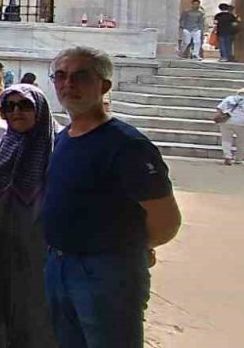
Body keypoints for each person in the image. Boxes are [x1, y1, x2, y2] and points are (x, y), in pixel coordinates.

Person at [43, 46, 181, 347]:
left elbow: (166, 220)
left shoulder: (127, 145)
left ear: (104, 85)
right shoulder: (64, 138)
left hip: (105, 273)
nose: (68, 85)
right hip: (59, 266)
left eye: (80, 76)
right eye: (61, 76)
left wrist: (124, 249)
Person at [0, 84, 59, 348]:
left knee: (39, 311)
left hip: (41, 247)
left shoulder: (57, 148)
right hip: (3, 243)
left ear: (39, 110)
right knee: (2, 306)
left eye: (25, 105)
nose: (16, 112)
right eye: (10, 106)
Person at [215, 88, 244, 165]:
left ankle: (227, 156)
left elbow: (219, 108)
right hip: (242, 122)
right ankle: (238, 159)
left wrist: (222, 115)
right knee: (241, 141)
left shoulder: (229, 98)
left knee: (226, 139)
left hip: (227, 121)